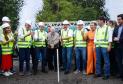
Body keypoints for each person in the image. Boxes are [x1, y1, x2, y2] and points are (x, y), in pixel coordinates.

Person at [113, 14, 123, 81]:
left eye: (119, 19)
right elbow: (113, 35)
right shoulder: (116, 27)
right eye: (117, 19)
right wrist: (113, 38)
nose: (118, 21)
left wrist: (119, 39)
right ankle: (120, 74)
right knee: (118, 61)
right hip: (117, 46)